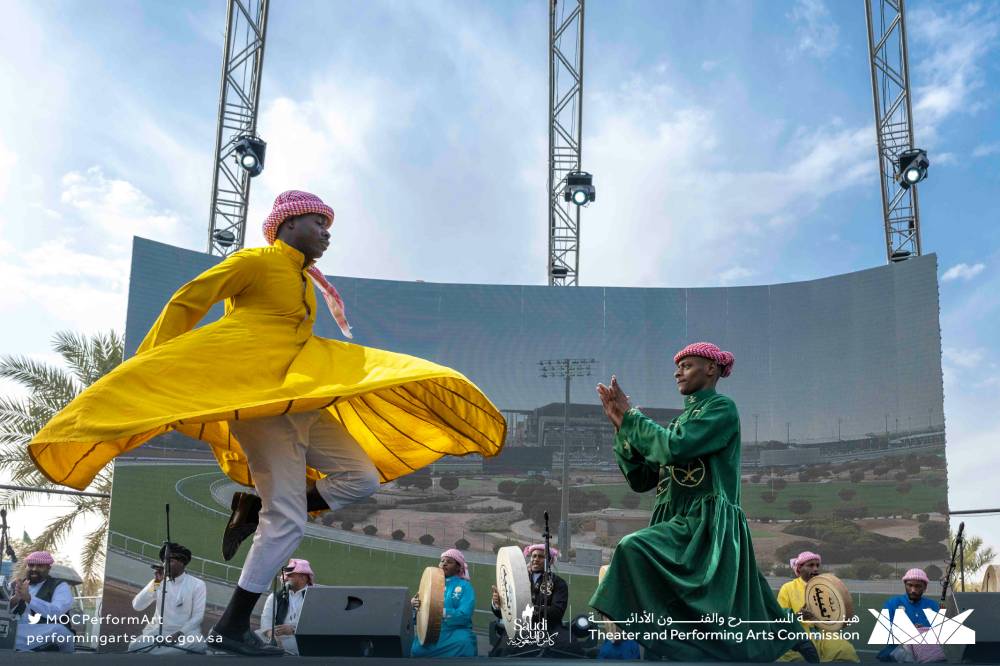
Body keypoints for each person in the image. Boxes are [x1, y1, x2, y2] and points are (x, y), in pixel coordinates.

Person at [26, 190, 506, 655]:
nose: (326, 232)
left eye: (329, 225)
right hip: (260, 406)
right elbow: (187, 302)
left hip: (299, 401)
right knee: (290, 520)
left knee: (359, 478)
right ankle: (233, 625)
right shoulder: (254, 261)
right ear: (287, 224)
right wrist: (158, 373)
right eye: (318, 222)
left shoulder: (305, 280)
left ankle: (253, 510)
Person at [589, 342, 812, 662]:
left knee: (632, 548)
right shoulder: (682, 421)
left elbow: (672, 449)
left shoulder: (721, 408)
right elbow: (642, 479)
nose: (677, 371)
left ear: (711, 369)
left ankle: (783, 636)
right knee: (746, 601)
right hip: (675, 522)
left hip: (704, 524)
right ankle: (787, 634)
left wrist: (632, 418)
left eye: (687, 365)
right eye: (678, 366)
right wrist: (621, 428)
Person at [777, 551, 859, 662]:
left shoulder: (824, 588)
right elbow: (780, 619)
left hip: (823, 633)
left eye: (817, 565)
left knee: (846, 650)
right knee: (798, 657)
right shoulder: (787, 588)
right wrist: (798, 616)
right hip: (798, 633)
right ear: (799, 569)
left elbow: (831, 616)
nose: (815, 569)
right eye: (810, 565)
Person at [128, 542, 207, 654]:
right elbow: (137, 605)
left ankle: (158, 653)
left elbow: (197, 617)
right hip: (159, 632)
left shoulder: (197, 584)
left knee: (198, 644)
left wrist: (178, 634)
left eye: (170, 561)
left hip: (185, 633)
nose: (165, 565)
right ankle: (170, 653)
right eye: (164, 561)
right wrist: (156, 583)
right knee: (134, 646)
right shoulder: (157, 582)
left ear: (182, 563)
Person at [490, 543, 569, 654]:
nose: (536, 559)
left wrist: (527, 611)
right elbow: (504, 614)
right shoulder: (516, 580)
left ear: (550, 561)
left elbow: (557, 612)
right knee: (502, 654)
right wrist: (497, 604)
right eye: (534, 556)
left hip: (547, 631)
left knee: (568, 647)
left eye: (541, 557)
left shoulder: (559, 583)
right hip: (519, 630)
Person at [410, 549, 477, 657]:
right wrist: (414, 606)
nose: (444, 563)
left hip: (455, 631)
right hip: (431, 632)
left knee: (464, 643)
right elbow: (418, 618)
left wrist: (440, 611)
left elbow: (465, 615)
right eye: (442, 561)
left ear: (458, 567)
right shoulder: (429, 584)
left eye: (449, 562)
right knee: (417, 649)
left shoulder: (465, 586)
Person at [9, 550, 74, 652]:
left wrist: (29, 598)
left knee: (59, 631)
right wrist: (15, 599)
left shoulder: (60, 586)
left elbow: (55, 612)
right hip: (20, 631)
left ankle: (29, 648)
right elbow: (4, 613)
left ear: (48, 568)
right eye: (31, 565)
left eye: (40, 566)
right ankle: (28, 649)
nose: (34, 569)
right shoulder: (17, 584)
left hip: (44, 631)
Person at [877, 568, 945, 663]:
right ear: (905, 584)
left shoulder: (933, 606)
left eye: (918, 586)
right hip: (896, 656)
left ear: (925, 587)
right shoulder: (892, 604)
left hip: (928, 657)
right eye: (910, 585)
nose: (913, 590)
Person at [257, 558, 314, 655]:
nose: (285, 577)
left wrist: (293, 630)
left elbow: (315, 625)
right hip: (275, 637)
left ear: (303, 577)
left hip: (299, 638)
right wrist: (271, 635)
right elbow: (266, 619)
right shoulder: (275, 596)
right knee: (254, 638)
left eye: (290, 575)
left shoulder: (314, 597)